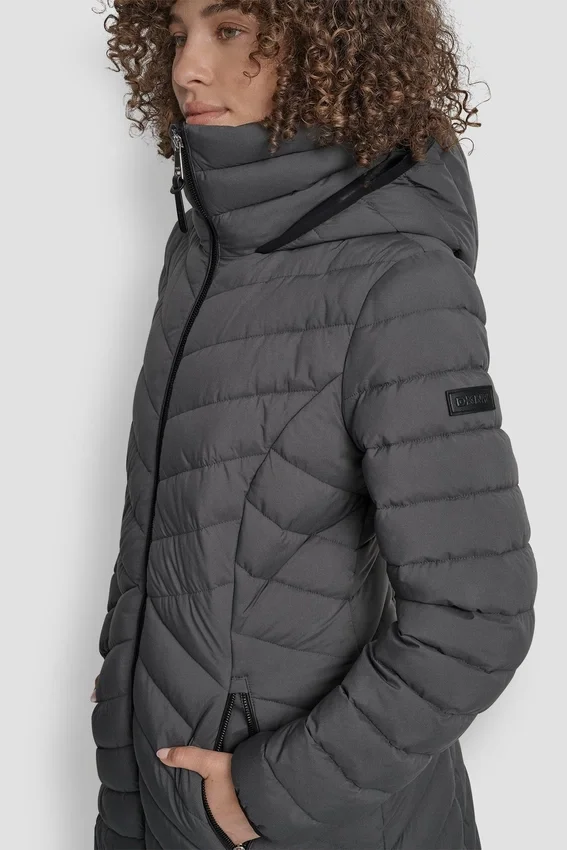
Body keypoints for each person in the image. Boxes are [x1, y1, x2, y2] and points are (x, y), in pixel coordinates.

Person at [91, 1, 538, 848]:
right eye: (177, 34)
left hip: (306, 819)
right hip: (157, 788)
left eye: (229, 30)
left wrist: (269, 792)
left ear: (333, 41)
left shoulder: (399, 283)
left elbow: (475, 616)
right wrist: (131, 669)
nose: (187, 69)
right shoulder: (202, 252)